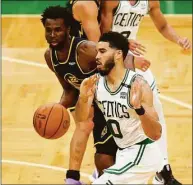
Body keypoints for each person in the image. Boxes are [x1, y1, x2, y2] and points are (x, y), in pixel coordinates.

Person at [40, 6, 135, 184]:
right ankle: (73, 178)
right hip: (94, 105)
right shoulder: (50, 57)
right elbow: (69, 90)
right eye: (49, 30)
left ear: (68, 30)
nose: (53, 35)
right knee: (102, 159)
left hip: (115, 103)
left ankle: (161, 169)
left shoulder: (86, 50)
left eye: (58, 30)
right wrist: (57, 108)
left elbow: (124, 56)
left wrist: (129, 85)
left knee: (124, 159)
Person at [100, 1, 191, 184]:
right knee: (120, 117)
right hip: (112, 60)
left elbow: (163, 25)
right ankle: (118, 166)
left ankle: (163, 169)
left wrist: (179, 39)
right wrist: (124, 44)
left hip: (131, 61)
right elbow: (103, 35)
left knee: (155, 111)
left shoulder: (150, 1)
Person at [75, 31, 163, 184]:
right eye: (97, 52)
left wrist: (139, 110)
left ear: (118, 54)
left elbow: (156, 134)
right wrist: (83, 99)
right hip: (124, 154)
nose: (97, 57)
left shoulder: (138, 85)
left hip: (143, 154)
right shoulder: (96, 84)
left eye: (102, 51)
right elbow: (82, 120)